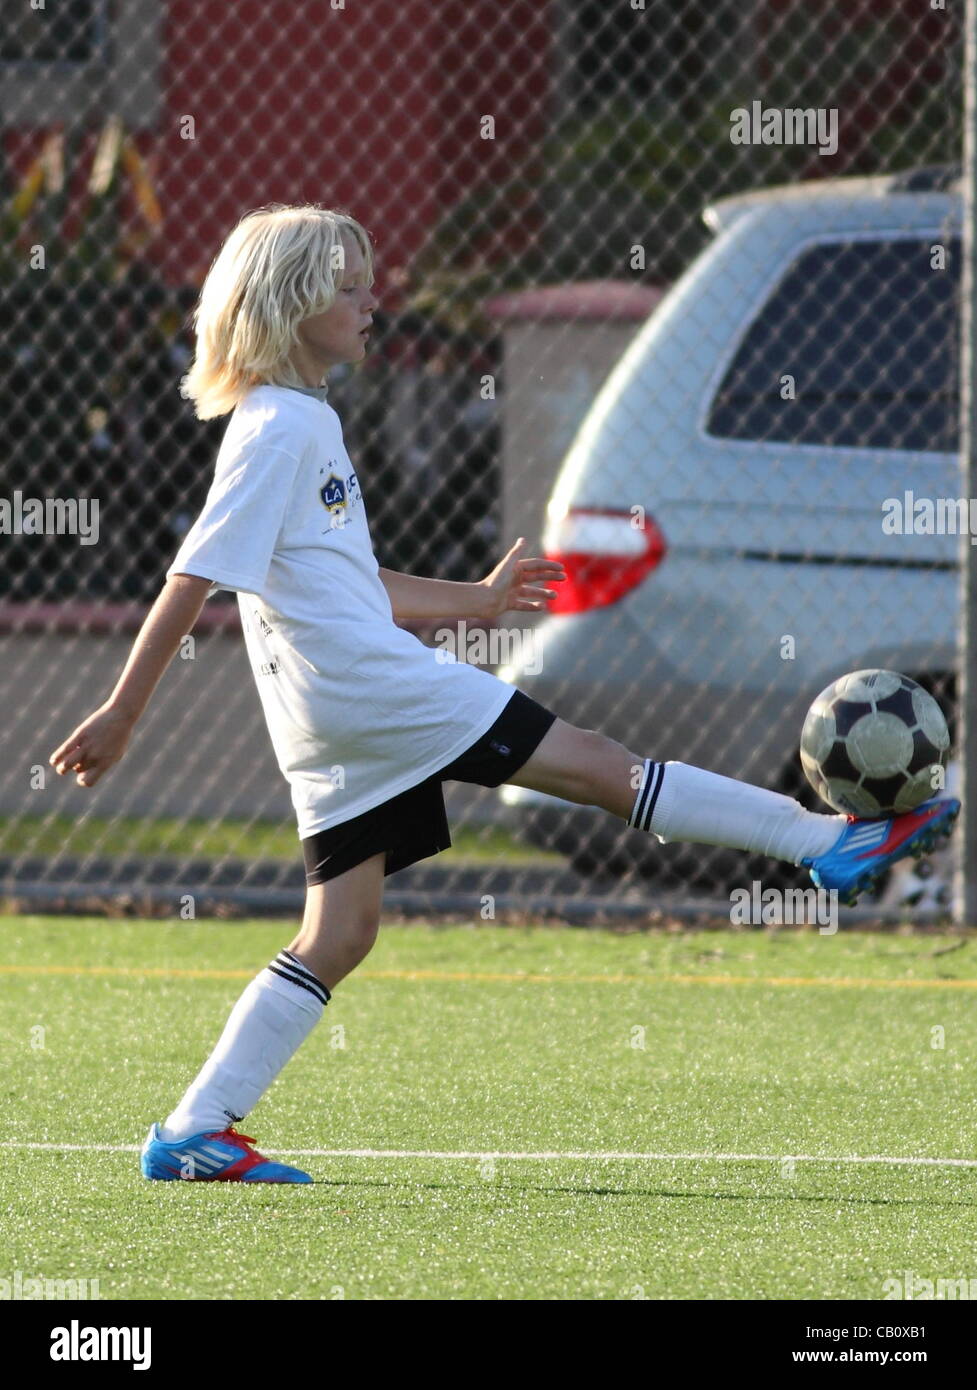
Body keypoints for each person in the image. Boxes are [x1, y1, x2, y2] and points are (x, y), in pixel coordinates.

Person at [49, 204, 960, 1185]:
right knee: (603, 767)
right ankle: (822, 842)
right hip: (377, 696)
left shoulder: (295, 417)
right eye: (348, 287)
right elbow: (193, 575)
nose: (372, 302)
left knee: (340, 930)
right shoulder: (280, 424)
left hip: (331, 717)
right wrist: (122, 712)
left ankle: (194, 1128)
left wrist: (474, 600)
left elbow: (346, 581)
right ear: (290, 302)